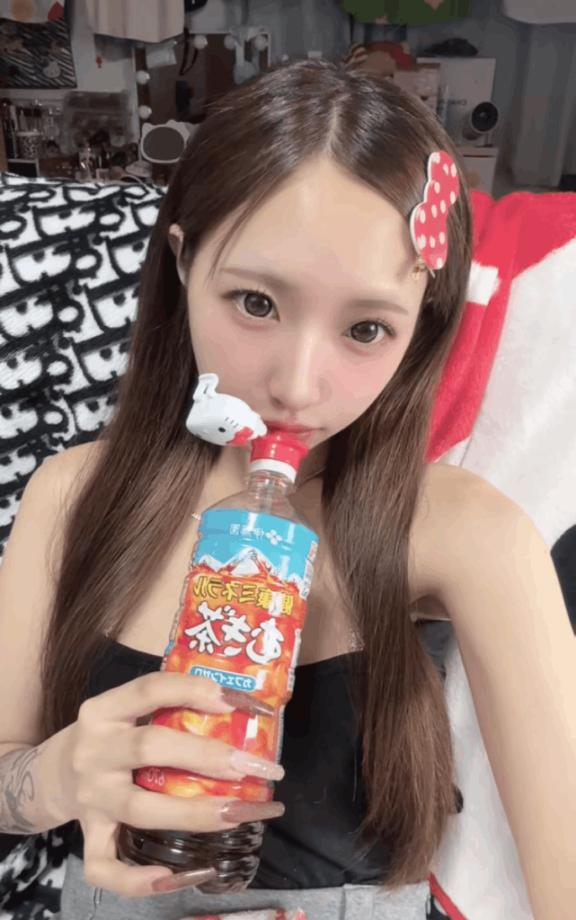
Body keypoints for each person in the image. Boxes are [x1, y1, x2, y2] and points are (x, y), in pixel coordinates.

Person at [0, 60, 573, 920]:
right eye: (257, 303)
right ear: (184, 261)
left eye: (367, 328)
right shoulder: (72, 495)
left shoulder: (459, 530)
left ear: (421, 330)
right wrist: (50, 779)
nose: (297, 387)